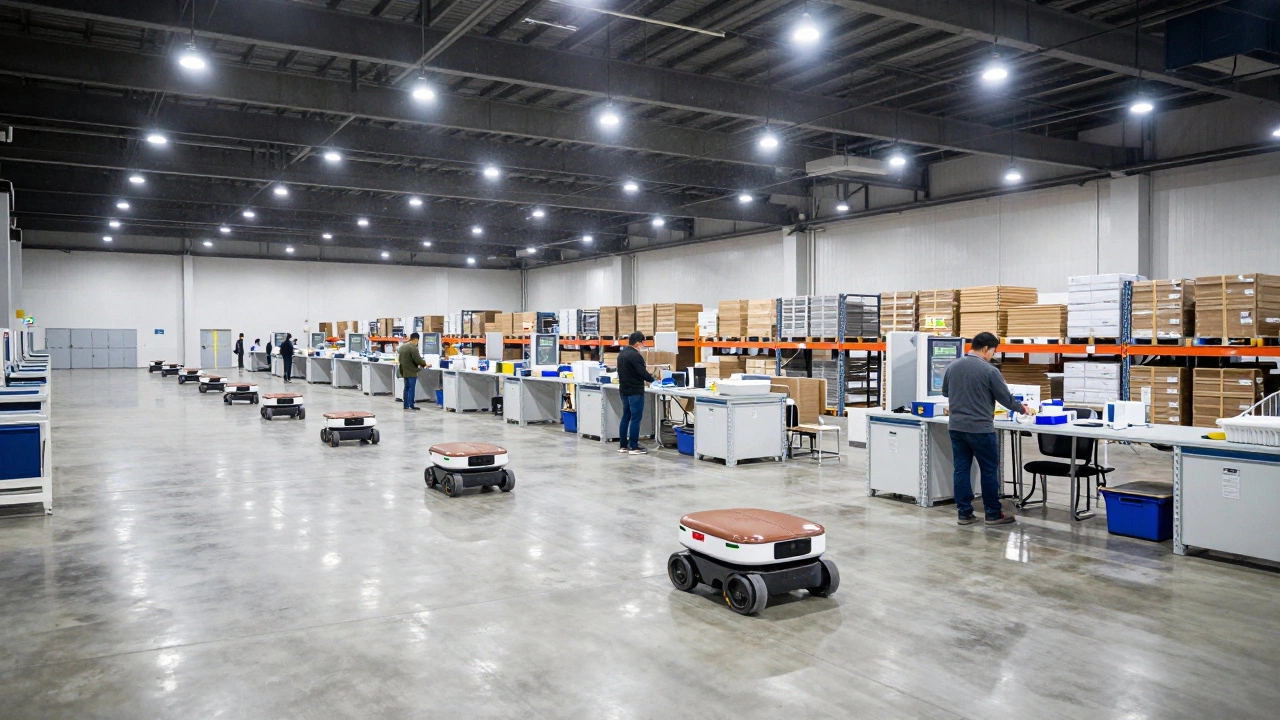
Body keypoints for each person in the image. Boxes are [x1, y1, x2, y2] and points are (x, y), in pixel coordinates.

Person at [941, 331, 1032, 526]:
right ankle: (992, 513)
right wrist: (1022, 408)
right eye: (993, 351)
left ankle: (964, 513)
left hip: (956, 427)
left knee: (961, 470)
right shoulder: (990, 371)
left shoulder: (952, 367)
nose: (992, 355)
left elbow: (946, 392)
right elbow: (1005, 398)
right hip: (980, 429)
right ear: (985, 349)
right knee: (989, 470)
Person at [616, 331, 656, 455]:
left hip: (624, 390)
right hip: (635, 391)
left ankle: (623, 446)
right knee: (635, 418)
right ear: (638, 342)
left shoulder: (621, 354)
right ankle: (634, 446)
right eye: (643, 342)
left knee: (626, 416)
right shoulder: (635, 356)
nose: (644, 344)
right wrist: (653, 380)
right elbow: (642, 372)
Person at [397, 332, 429, 411]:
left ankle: (406, 405)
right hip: (411, 371)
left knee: (407, 388)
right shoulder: (413, 347)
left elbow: (400, 359)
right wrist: (425, 364)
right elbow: (417, 359)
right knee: (411, 388)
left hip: (404, 370)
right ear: (416, 339)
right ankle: (411, 405)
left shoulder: (402, 346)